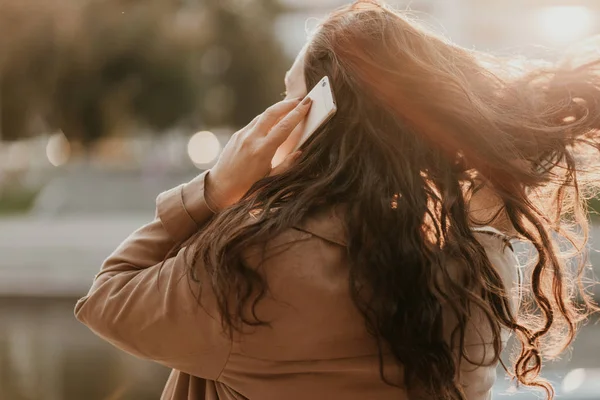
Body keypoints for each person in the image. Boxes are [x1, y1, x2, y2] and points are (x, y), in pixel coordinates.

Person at [75, 1, 600, 399]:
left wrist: (214, 191)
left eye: (290, 96)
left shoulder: (250, 264)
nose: (278, 110)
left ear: (318, 118)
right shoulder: (483, 264)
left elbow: (106, 299)